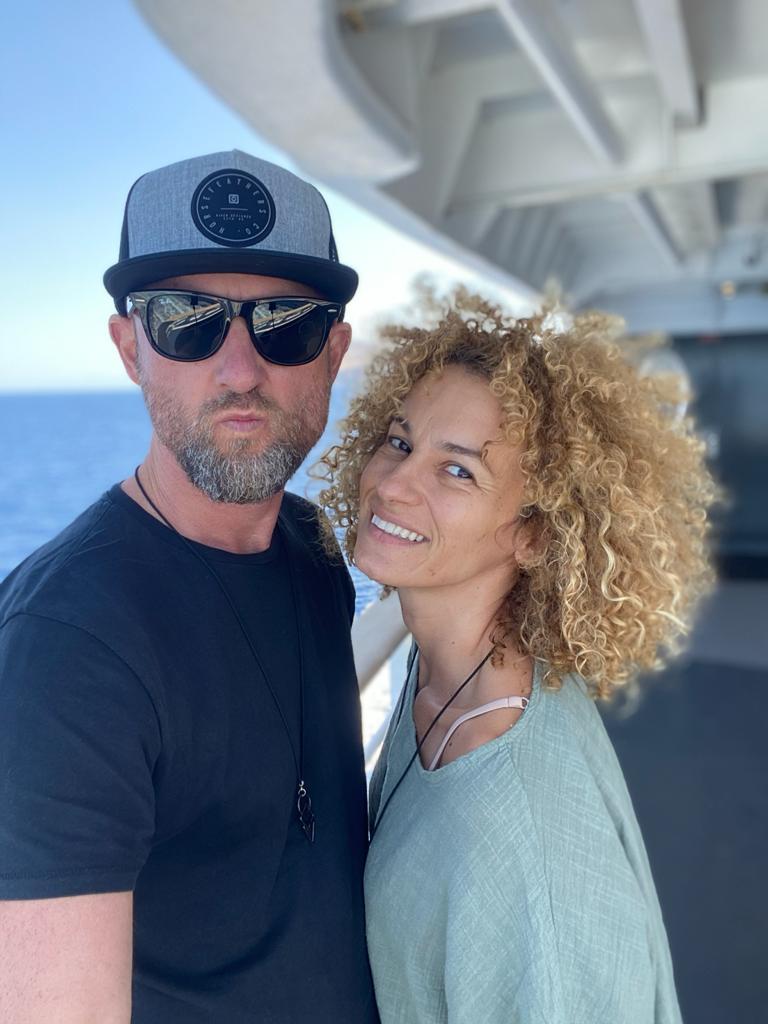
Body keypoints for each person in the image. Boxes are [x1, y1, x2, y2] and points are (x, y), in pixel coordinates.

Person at [0, 151, 379, 1023]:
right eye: (188, 321)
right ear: (131, 348)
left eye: (284, 323)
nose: (241, 369)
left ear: (333, 353)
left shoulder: (313, 548)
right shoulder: (68, 646)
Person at [319, 291, 717, 1023]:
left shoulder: (520, 844)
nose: (395, 483)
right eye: (401, 443)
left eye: (459, 471)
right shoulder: (448, 668)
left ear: (534, 535)